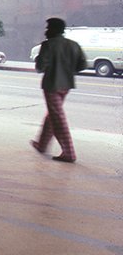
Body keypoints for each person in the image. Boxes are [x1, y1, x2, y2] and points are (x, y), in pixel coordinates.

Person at [31, 17, 86, 163]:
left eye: (48, 28)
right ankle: (41, 145)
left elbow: (40, 68)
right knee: (53, 115)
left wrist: (39, 60)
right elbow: (82, 65)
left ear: (54, 29)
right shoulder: (74, 45)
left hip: (51, 85)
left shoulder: (48, 45)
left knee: (58, 119)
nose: (46, 31)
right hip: (66, 84)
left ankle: (69, 152)